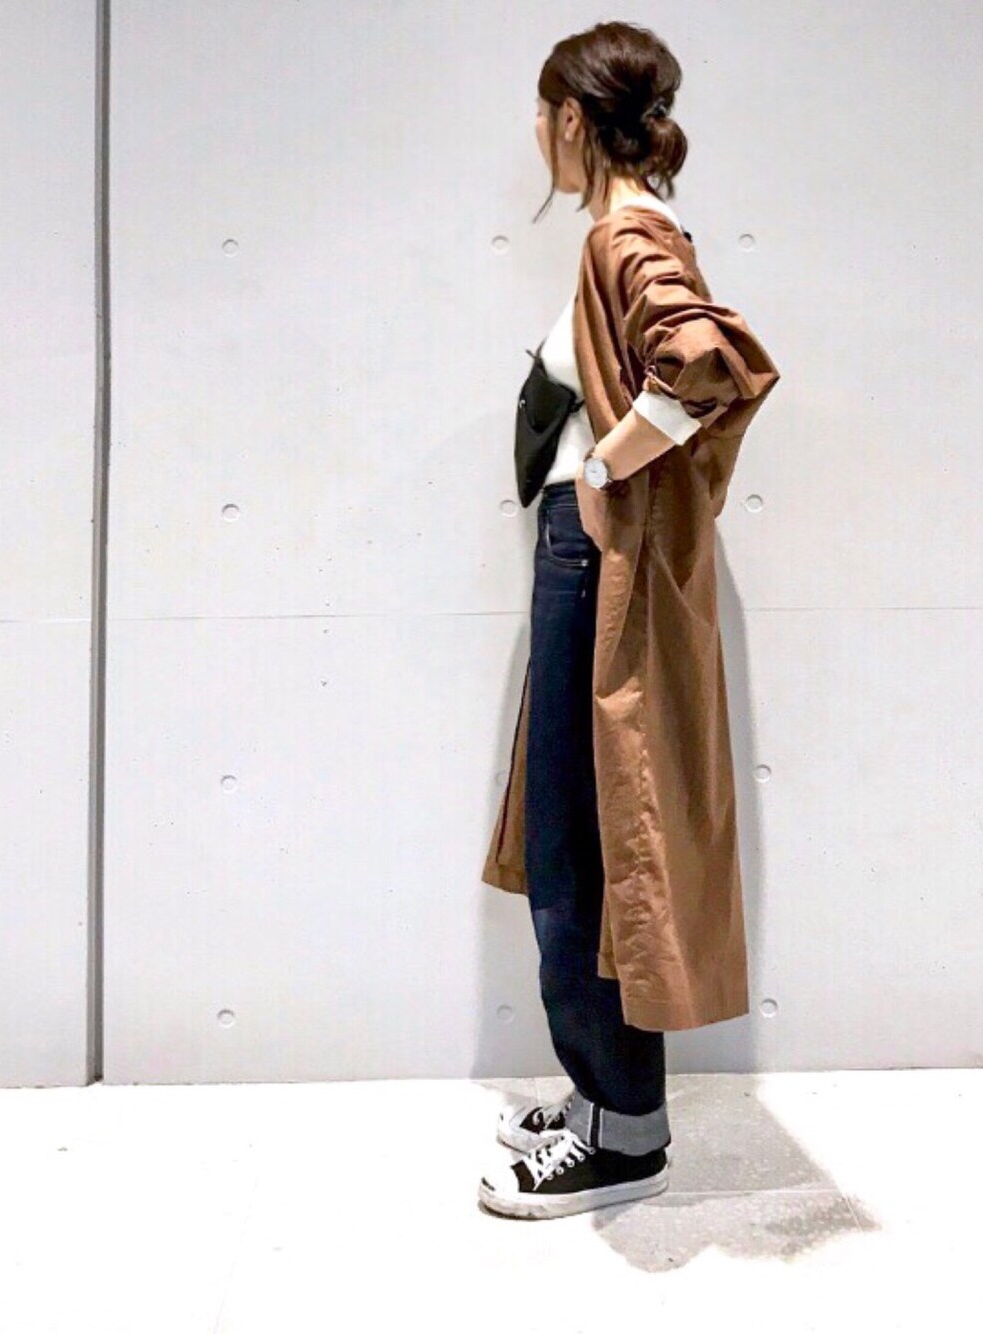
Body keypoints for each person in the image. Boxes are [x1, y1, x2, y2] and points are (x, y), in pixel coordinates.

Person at [478, 20, 782, 1221]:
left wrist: (604, 464)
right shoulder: (639, 229)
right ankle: (601, 1098)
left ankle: (621, 1133)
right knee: (576, 830)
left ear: (569, 118)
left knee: (583, 841)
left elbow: (700, 361)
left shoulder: (624, 233)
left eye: (539, 115)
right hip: (586, 556)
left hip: (592, 558)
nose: (535, 136)